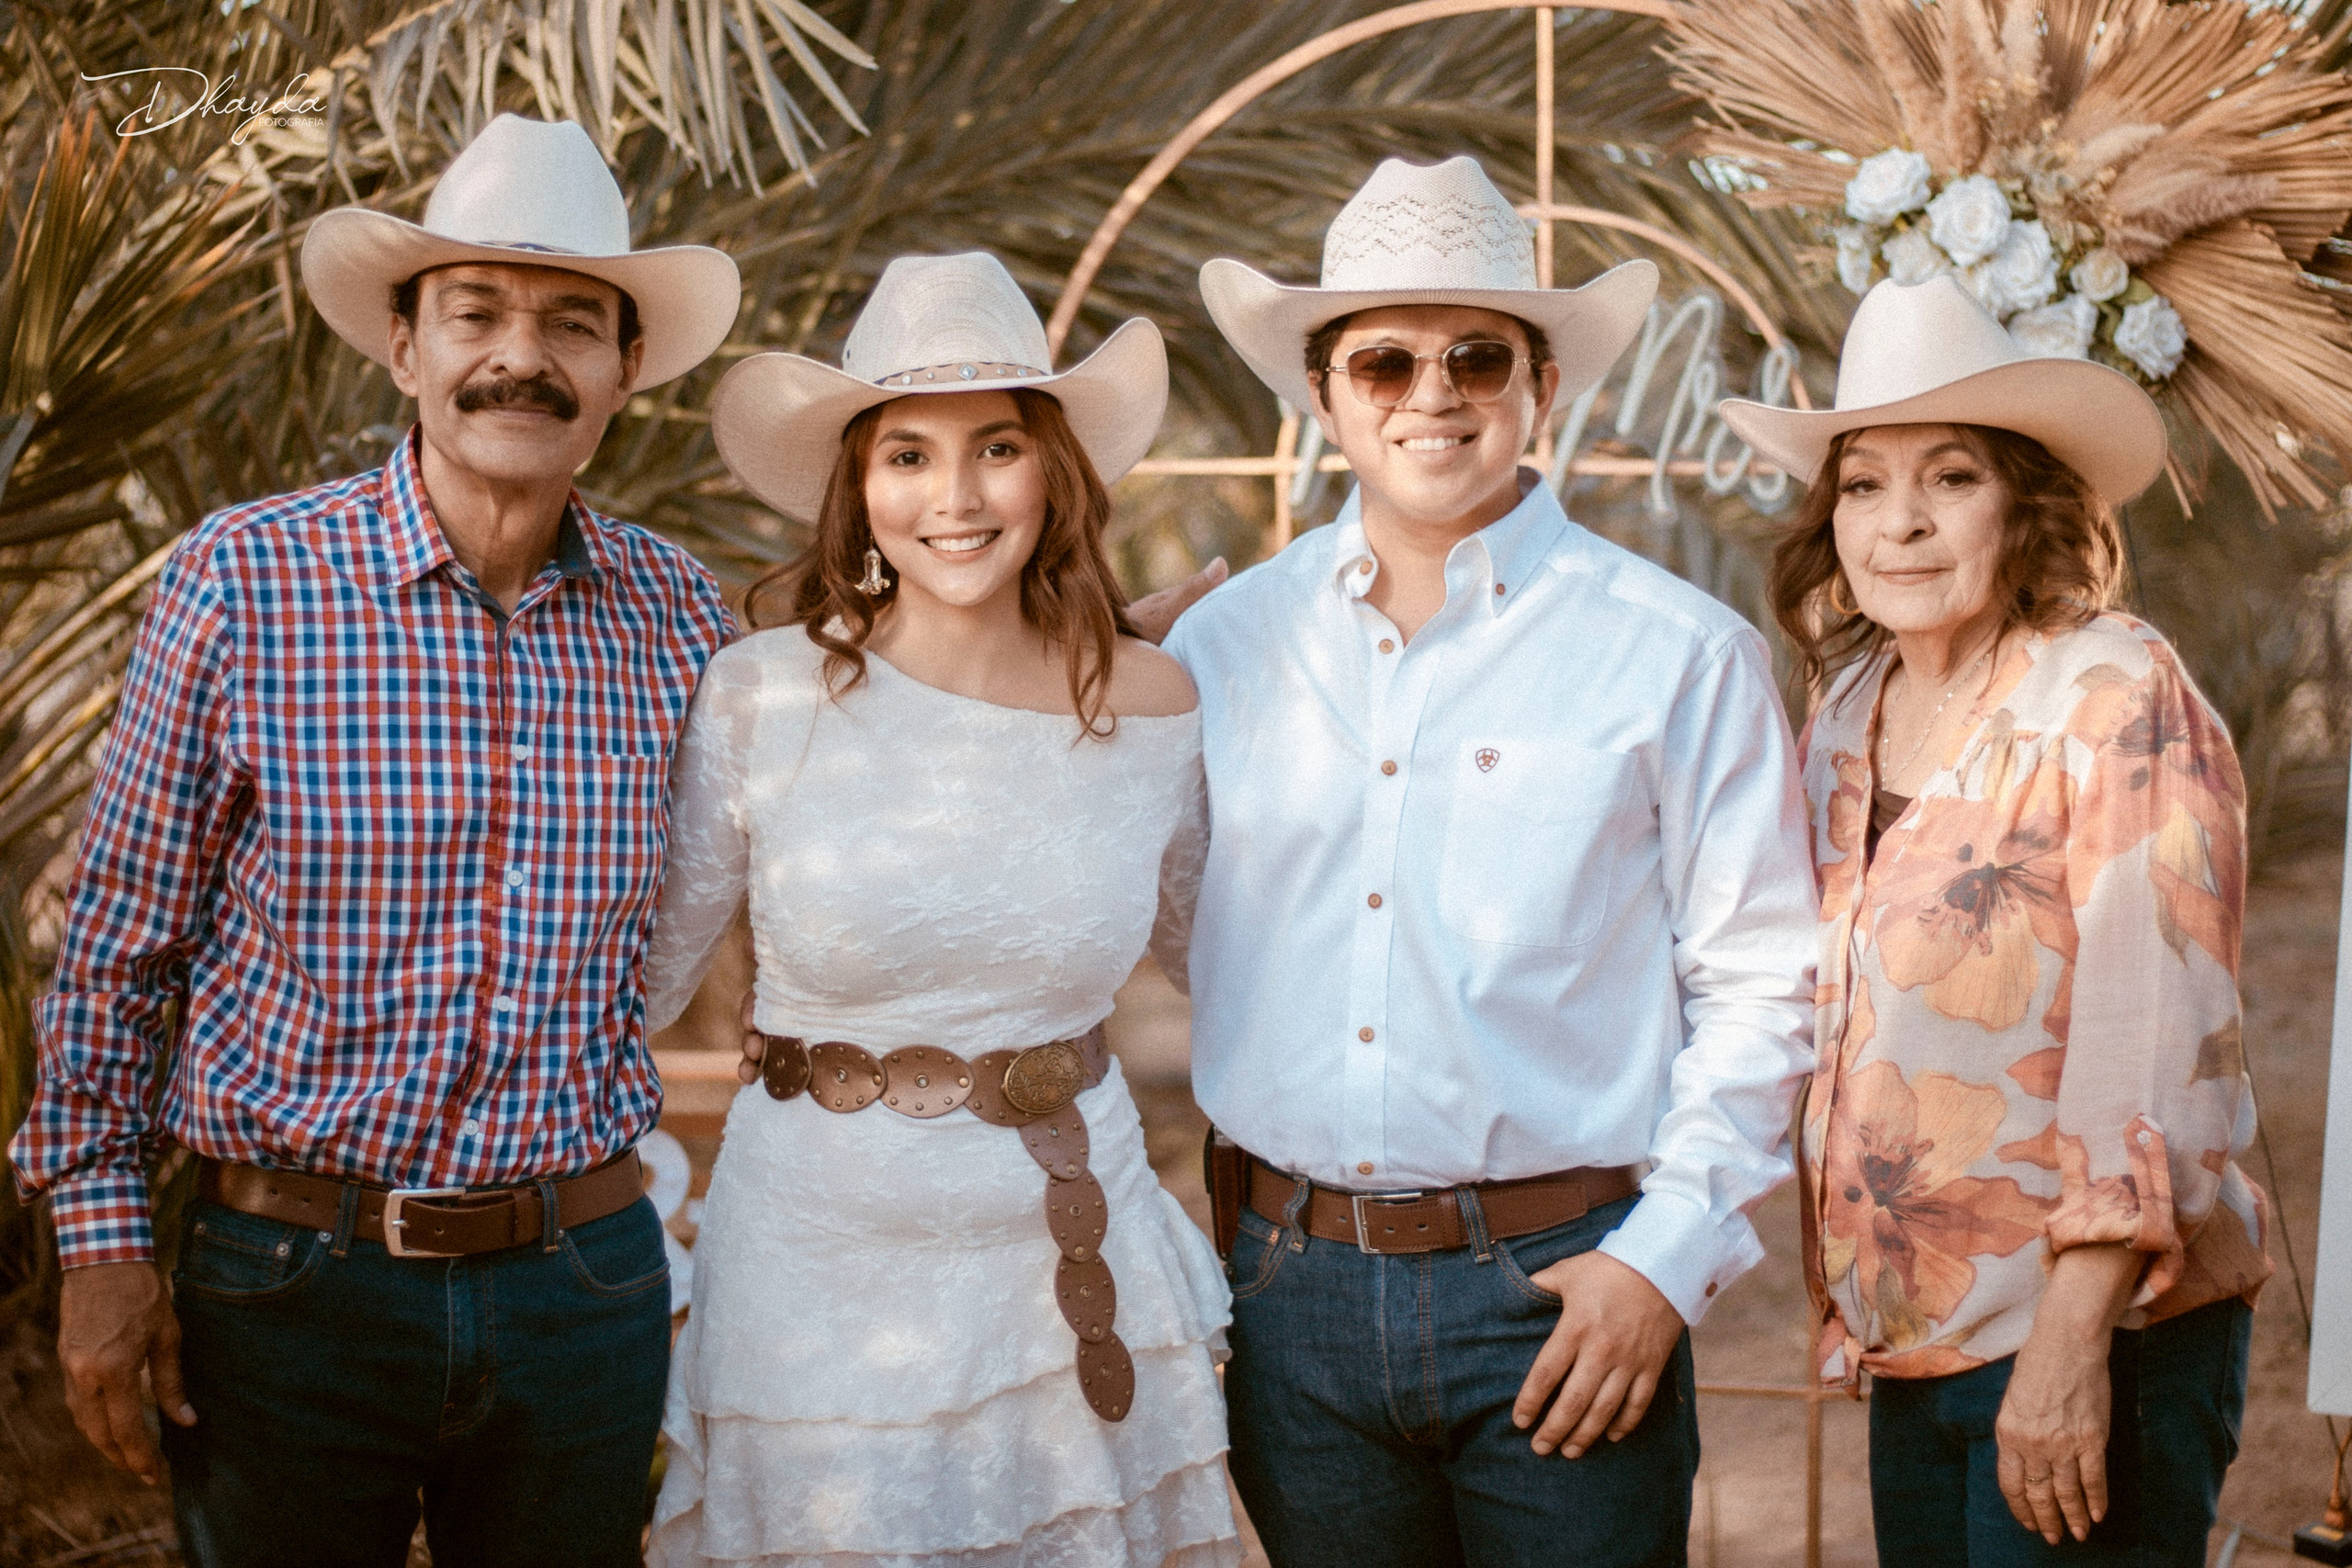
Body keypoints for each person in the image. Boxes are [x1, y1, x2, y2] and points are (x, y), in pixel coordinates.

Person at [7, 114, 741, 1566]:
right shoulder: (246, 582)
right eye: (474, 313)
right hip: (291, 1285)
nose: (518, 357)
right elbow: (119, 946)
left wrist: (1075, 645)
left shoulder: (683, 617)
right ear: (404, 349)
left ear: (625, 370)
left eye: (571, 324)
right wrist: (100, 1250)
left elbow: (876, 697)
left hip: (581, 1287)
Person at [1166, 154, 1818, 1566]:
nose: (1432, 393)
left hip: (1564, 1288)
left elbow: (1766, 980)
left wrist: (1666, 1259)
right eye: (1384, 361)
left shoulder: (1677, 652)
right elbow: (1167, 919)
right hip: (1291, 1294)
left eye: (1476, 355)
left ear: (1542, 384)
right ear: (1325, 393)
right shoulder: (1220, 652)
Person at [641, 251, 1239, 1568]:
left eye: (997, 450)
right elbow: (632, 988)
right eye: (906, 455)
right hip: (811, 1272)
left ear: (1055, 474)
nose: (954, 497)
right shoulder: (759, 696)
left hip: (1062, 1262)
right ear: (858, 488)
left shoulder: (1156, 708)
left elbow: (1239, 974)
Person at [1719, 274, 2272, 1565]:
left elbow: (2156, 1043)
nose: (1899, 524)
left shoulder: (2114, 692)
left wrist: (2071, 1348)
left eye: (1949, 478)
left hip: (2096, 1333)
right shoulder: (1848, 708)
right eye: (1863, 484)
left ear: (2020, 501)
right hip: (1921, 1332)